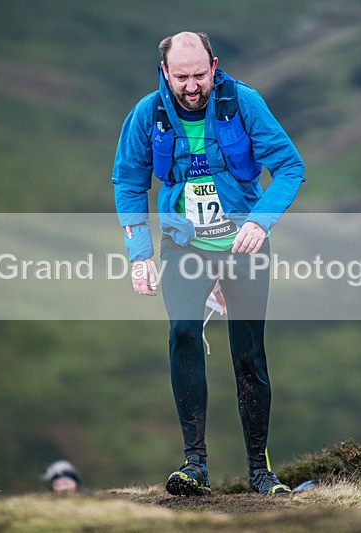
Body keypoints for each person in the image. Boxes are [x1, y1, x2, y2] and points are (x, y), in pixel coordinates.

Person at [112, 31, 305, 496]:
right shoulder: (147, 114)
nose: (192, 86)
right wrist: (139, 255)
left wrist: (260, 221)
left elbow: (290, 167)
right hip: (184, 247)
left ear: (214, 67)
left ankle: (260, 472)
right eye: (181, 77)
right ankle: (194, 465)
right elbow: (129, 182)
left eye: (200, 75)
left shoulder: (244, 103)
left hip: (244, 246)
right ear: (164, 72)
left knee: (248, 354)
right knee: (182, 332)